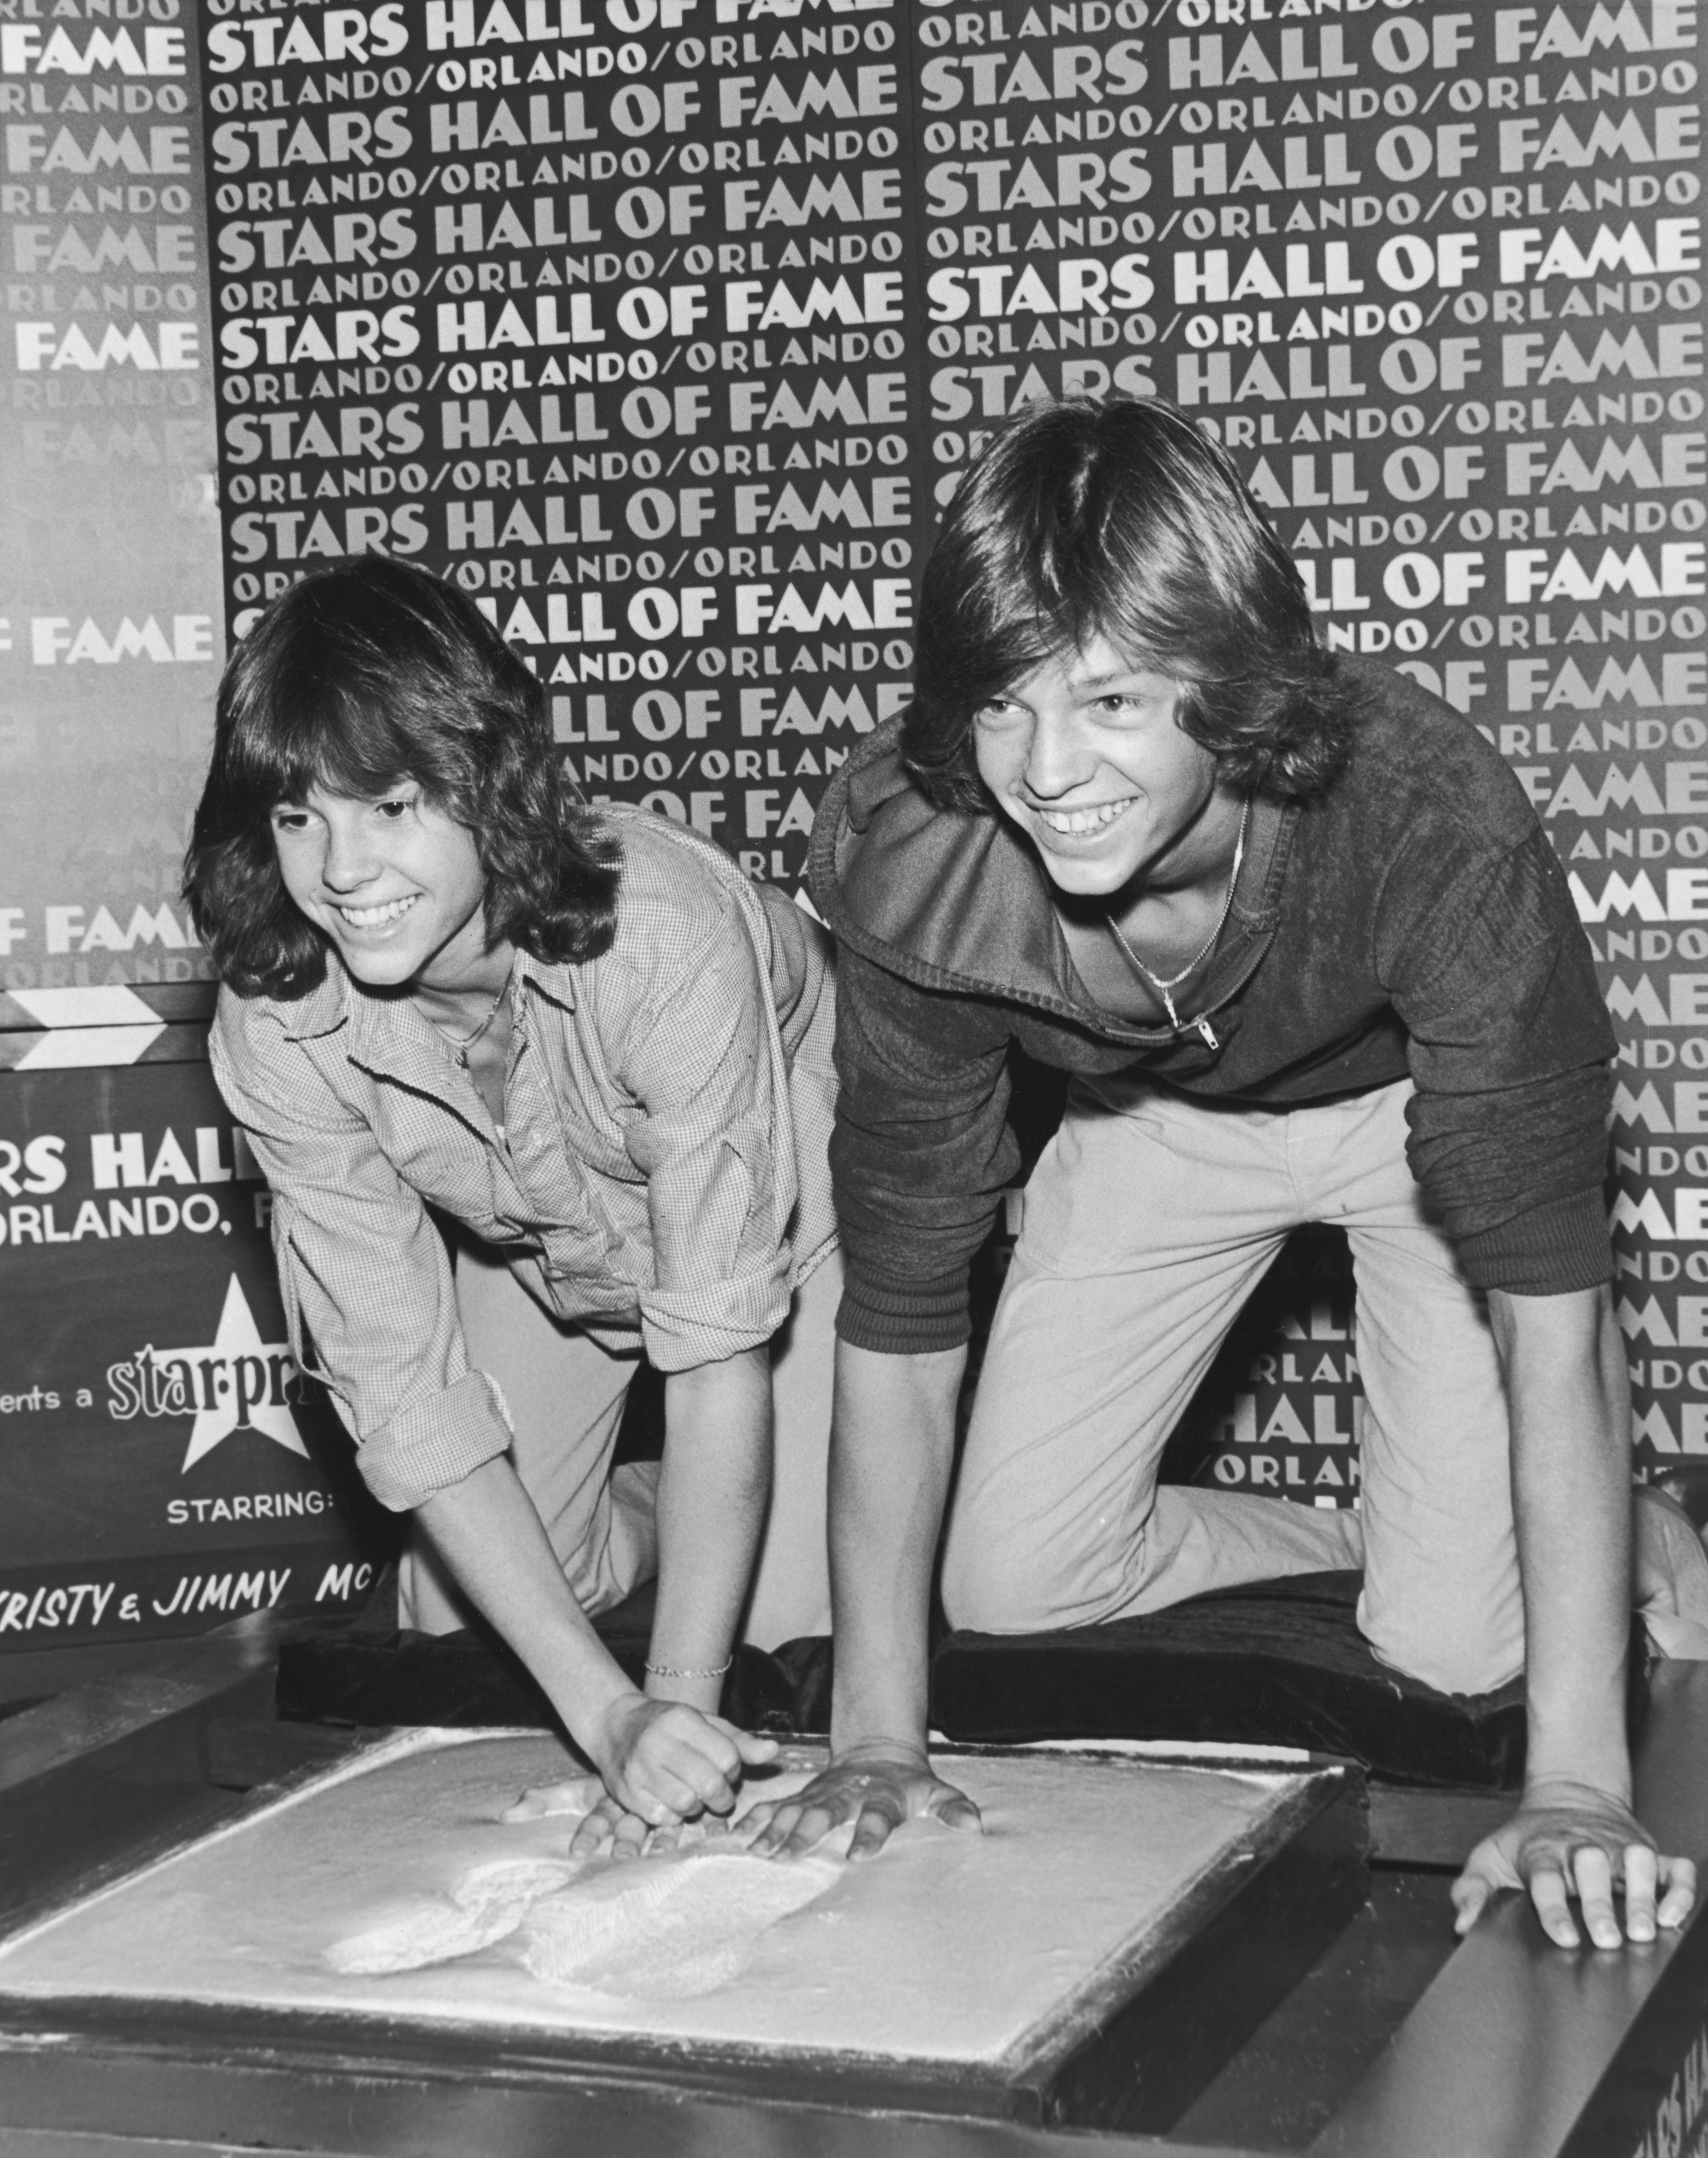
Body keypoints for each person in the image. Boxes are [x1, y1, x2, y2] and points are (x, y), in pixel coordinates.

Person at [747, 397, 1707, 1950]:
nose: (1045, 768)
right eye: (1003, 704)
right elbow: (901, 1310)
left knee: (1459, 1652)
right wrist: (873, 1742)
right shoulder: (912, 852)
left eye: (1113, 700)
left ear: (1228, 683)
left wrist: (1579, 1791)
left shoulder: (1424, 819)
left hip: (1404, 1123)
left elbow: (1551, 1309)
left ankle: (1620, 1528)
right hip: (1146, 1122)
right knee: (1008, 1590)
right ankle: (1420, 1530)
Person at [185, 555, 839, 1855]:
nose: (343, 868)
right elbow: (408, 1401)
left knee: (787, 1673)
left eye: (392, 804)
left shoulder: (662, 928)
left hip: (800, 1211)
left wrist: (675, 1717)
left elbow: (717, 1356)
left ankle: (848, 1496)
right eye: (299, 817)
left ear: (491, 784)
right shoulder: (274, 1022)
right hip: (552, 1243)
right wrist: (607, 1720)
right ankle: (659, 1510)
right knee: (465, 1616)